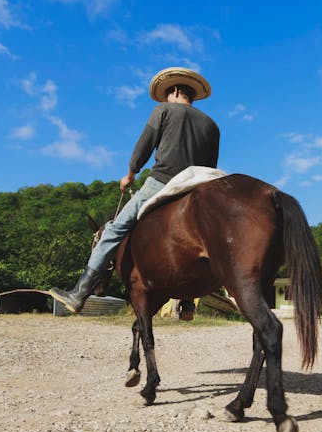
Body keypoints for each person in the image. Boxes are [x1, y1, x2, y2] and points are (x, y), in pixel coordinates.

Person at [49, 67, 220, 316]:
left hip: (161, 183)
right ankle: (187, 303)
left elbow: (144, 146)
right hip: (194, 189)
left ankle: (79, 293)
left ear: (173, 91)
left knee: (114, 229)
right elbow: (209, 168)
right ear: (191, 95)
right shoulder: (212, 125)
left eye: (167, 95)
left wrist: (130, 174)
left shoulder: (162, 110)